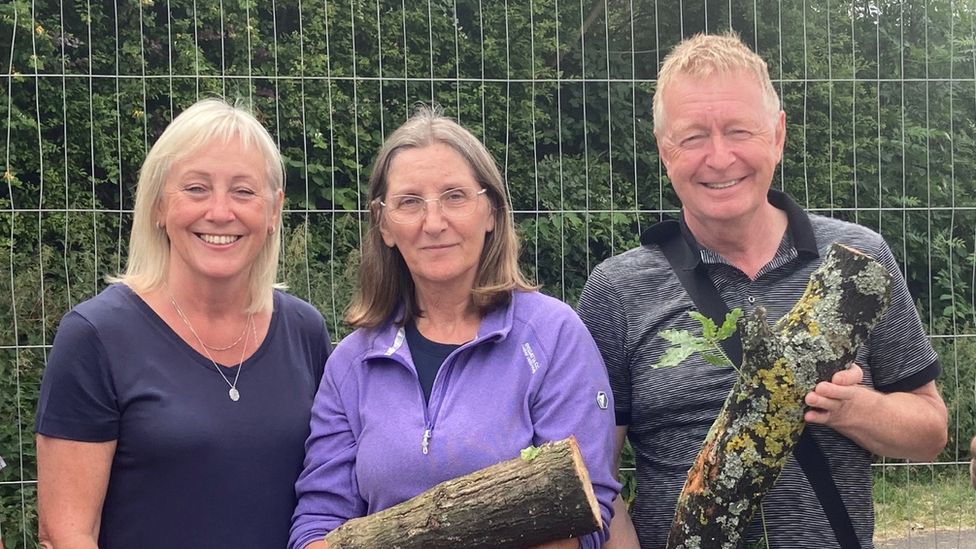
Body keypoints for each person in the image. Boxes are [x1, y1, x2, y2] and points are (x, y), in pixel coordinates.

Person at [577, 33, 948, 549]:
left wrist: (849, 407)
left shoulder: (858, 260)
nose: (720, 156)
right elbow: (596, 480)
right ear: (665, 152)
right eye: (693, 137)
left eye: (738, 130)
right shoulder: (617, 290)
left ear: (777, 135)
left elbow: (931, 433)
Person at [288, 106, 619, 549]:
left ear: (491, 213)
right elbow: (319, 519)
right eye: (409, 202)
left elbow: (585, 513)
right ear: (384, 224)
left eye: (455, 196)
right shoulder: (352, 362)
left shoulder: (554, 337)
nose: (434, 222)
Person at [35, 98, 332, 549]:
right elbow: (66, 532)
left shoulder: (305, 332)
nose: (219, 211)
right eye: (196, 188)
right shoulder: (95, 337)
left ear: (273, 211)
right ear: (158, 206)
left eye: (243, 191)